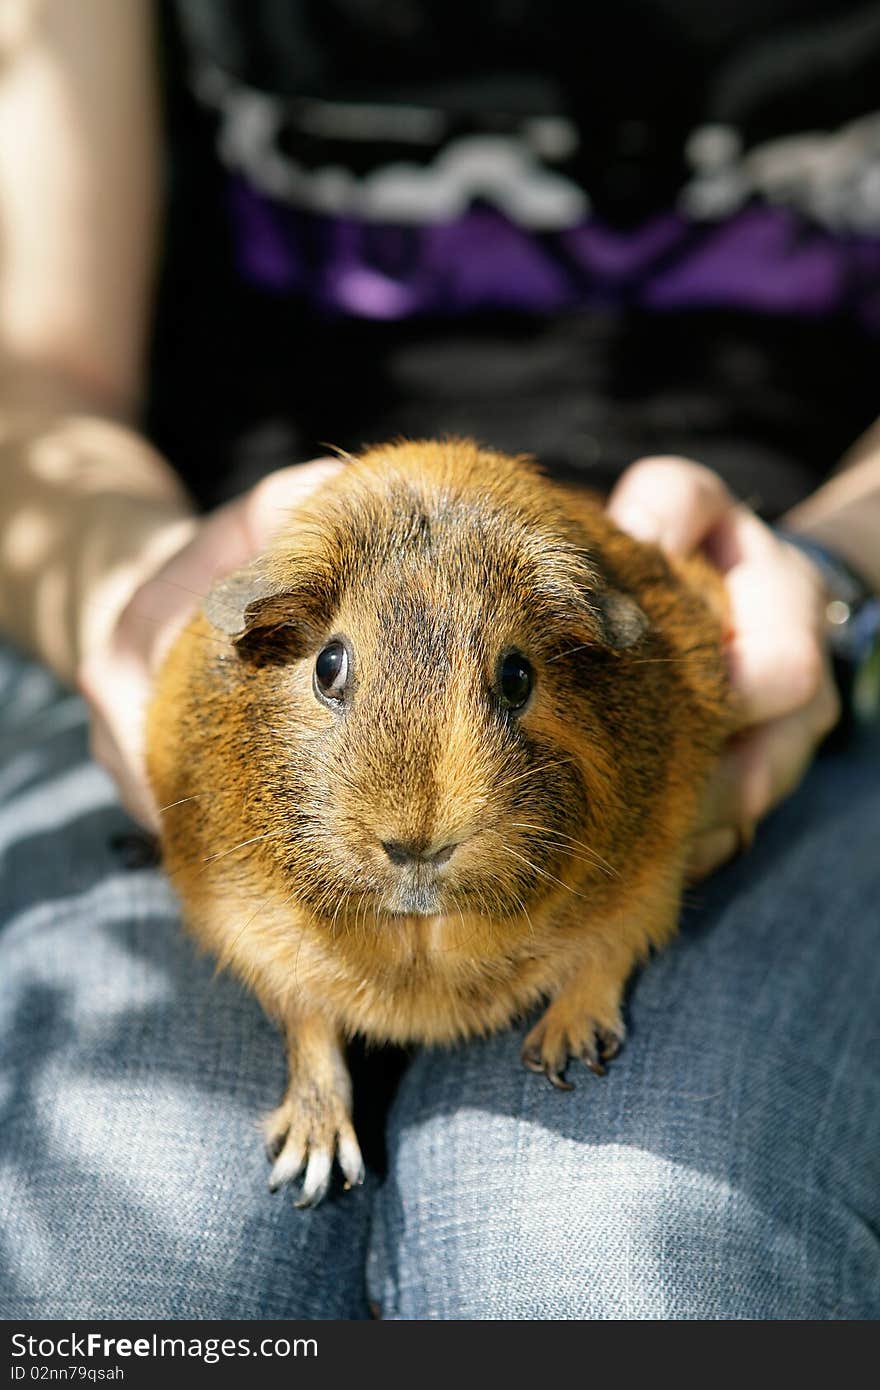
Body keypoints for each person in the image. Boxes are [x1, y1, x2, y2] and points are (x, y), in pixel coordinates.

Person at [1, 0, 878, 1319]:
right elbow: (35, 375)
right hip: (236, 535)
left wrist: (828, 573)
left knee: (603, 1249)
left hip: (753, 580)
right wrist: (116, 584)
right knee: (128, 1260)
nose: (421, 820)